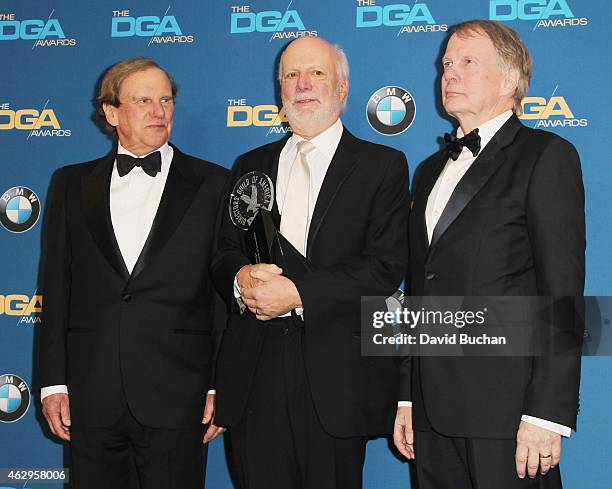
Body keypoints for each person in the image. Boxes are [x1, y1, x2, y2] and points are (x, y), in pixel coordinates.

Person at [393, 20, 585, 489]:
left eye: (466, 62)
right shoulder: (429, 170)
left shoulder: (546, 156)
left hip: (507, 413)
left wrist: (547, 412)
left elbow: (561, 292)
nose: (449, 74)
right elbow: (418, 290)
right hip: (432, 412)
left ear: (510, 79)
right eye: (445, 64)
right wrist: (406, 396)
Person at [211, 36, 409, 489]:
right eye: (291, 75)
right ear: (279, 88)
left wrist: (298, 294)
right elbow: (223, 252)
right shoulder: (249, 163)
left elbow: (384, 267)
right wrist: (241, 278)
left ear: (342, 87)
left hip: (336, 379)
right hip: (253, 373)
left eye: (316, 73)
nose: (303, 85)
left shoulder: (382, 165)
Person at [39, 57, 227, 489]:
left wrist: (221, 386)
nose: (158, 111)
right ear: (111, 113)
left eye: (165, 99)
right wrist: (53, 384)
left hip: (179, 395)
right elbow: (56, 285)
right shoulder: (71, 184)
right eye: (143, 100)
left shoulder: (213, 184)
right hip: (92, 394)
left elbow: (222, 295)